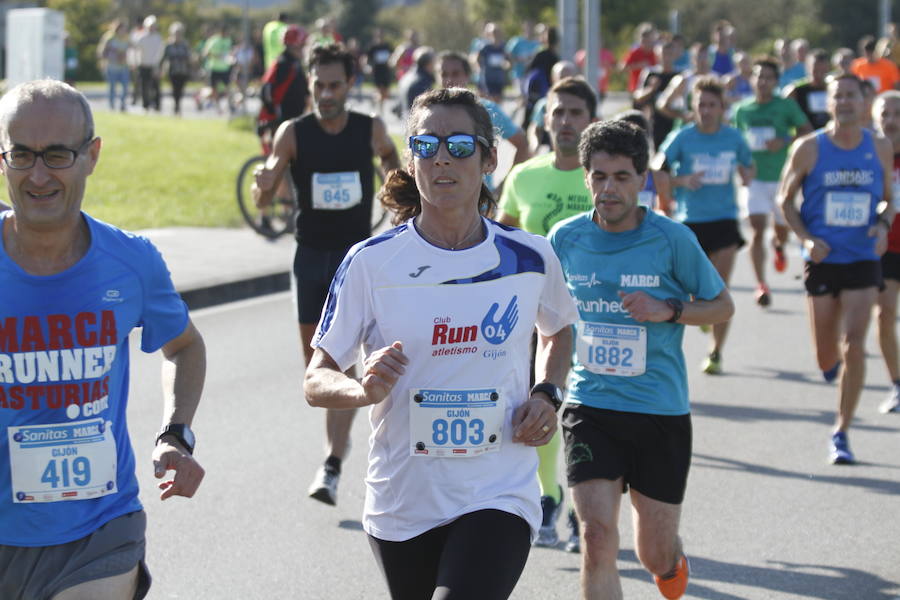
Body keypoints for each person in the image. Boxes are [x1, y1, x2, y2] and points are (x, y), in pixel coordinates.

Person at [304, 86, 578, 600]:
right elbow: (316, 378)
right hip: (404, 496)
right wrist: (361, 391)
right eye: (426, 146)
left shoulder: (530, 257)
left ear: (490, 158)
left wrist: (547, 393)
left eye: (459, 145)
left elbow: (558, 328)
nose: (442, 159)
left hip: (499, 488)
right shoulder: (370, 263)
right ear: (411, 160)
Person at [0, 80, 206, 599]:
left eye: (57, 154)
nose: (39, 175)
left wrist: (175, 432)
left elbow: (183, 346)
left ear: (92, 156)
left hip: (100, 529)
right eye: (21, 155)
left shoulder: (131, 262)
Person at [550, 119, 734, 600]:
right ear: (586, 177)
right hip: (590, 405)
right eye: (599, 176)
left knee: (653, 554)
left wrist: (668, 309)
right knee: (595, 537)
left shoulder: (672, 239)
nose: (608, 189)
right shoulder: (564, 239)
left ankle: (670, 559)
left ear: (642, 178)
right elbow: (546, 320)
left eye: (622, 177)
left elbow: (722, 306)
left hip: (658, 409)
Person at [252, 44, 399, 506]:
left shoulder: (369, 129)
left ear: (349, 85)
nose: (327, 94)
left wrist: (400, 202)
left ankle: (332, 462)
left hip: (355, 259)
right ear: (311, 84)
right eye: (319, 85)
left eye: (335, 85)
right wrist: (262, 184)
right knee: (319, 369)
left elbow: (396, 174)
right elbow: (263, 195)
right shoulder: (292, 133)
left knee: (344, 358)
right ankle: (338, 446)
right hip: (311, 259)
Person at [497, 77, 597, 550]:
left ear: (590, 120)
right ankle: (550, 496)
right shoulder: (524, 176)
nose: (565, 122)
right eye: (557, 112)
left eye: (575, 112)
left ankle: (586, 509)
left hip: (598, 318)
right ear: (545, 119)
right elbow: (502, 245)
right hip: (540, 319)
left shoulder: (605, 176)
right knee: (544, 402)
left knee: (592, 415)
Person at [778, 74, 895, 464]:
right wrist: (807, 239)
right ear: (828, 103)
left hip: (862, 257)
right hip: (823, 260)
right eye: (838, 96)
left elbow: (888, 201)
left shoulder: (879, 146)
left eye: (852, 96)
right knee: (827, 356)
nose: (845, 102)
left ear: (864, 103)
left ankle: (841, 431)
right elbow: (785, 201)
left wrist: (881, 225)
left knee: (855, 345)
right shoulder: (809, 148)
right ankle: (835, 372)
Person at [654, 76, 754, 375]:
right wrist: (681, 181)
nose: (706, 111)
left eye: (712, 105)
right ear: (693, 107)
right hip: (690, 222)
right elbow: (656, 172)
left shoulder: (734, 137)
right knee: (695, 295)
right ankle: (702, 313)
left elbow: (749, 166)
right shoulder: (682, 137)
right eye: (701, 105)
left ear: (723, 108)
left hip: (724, 219)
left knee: (719, 291)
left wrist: (747, 175)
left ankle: (715, 351)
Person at [732, 57, 811, 307]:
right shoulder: (742, 110)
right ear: (752, 79)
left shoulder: (785, 107)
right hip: (754, 178)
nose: (763, 81)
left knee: (780, 229)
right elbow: (737, 142)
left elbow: (806, 131)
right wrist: (740, 167)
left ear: (776, 81)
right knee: (756, 230)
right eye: (759, 76)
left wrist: (784, 141)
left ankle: (779, 245)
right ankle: (761, 284)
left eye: (768, 77)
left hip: (781, 178)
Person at [436, 51, 529, 188]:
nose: (449, 80)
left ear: (467, 76)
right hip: (442, 200)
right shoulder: (430, 113)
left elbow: (521, 143)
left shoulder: (485, 109)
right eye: (444, 74)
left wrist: (505, 187)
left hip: (480, 204)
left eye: (455, 74)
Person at [873, 91, 900, 414]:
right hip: (884, 248)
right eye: (885, 114)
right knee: (884, 317)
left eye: (898, 114)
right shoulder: (868, 155)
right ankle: (897, 384)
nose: (892, 121)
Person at [258, 25, 309, 144]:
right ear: (295, 45)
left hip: (295, 117)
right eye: (303, 45)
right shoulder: (283, 63)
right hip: (284, 119)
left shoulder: (295, 63)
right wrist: (272, 112)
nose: (305, 49)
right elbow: (266, 88)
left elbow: (303, 87)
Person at [633, 38, 682, 150]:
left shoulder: (681, 75)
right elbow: (637, 97)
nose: (666, 57)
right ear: (658, 55)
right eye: (664, 54)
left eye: (669, 54)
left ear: (675, 55)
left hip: (676, 121)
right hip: (656, 122)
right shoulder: (651, 73)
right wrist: (651, 89)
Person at [784, 49, 832, 130]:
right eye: (815, 71)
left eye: (823, 71)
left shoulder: (832, 88)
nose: (819, 75)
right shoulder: (795, 90)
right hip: (806, 135)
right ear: (807, 68)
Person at [97, 20, 131, 112]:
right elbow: (102, 52)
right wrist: (114, 55)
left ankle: (123, 105)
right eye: (121, 29)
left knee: (125, 87)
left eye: (124, 29)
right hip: (112, 67)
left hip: (124, 67)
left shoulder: (127, 38)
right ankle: (111, 106)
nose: (123, 31)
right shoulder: (110, 38)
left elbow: (131, 51)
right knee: (112, 88)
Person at [160, 22, 192, 116]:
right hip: (172, 70)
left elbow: (189, 57)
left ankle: (178, 106)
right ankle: (176, 107)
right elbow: (163, 58)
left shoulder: (185, 45)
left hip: (183, 70)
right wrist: (160, 69)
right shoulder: (168, 45)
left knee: (181, 90)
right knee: (174, 89)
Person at [201, 24, 233, 114]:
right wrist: (217, 56)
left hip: (225, 68)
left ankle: (230, 106)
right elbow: (205, 53)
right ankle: (218, 108)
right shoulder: (213, 40)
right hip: (214, 68)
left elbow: (229, 51)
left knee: (228, 88)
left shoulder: (228, 40)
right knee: (214, 89)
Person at [134, 15, 163, 112]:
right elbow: (136, 51)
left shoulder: (158, 37)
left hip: (154, 65)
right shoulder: (141, 37)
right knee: (144, 86)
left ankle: (157, 105)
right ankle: (145, 105)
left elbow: (160, 53)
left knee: (156, 87)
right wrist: (135, 63)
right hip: (143, 65)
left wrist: (158, 66)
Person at [620, 23, 657, 94]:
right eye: (644, 38)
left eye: (648, 38)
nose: (646, 41)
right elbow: (622, 68)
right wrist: (638, 66)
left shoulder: (657, 52)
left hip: (653, 89)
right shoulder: (635, 52)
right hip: (636, 89)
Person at [363, 28, 394, 116]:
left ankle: (374, 100)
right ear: (375, 36)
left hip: (386, 71)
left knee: (385, 93)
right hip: (377, 71)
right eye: (378, 35)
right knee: (380, 91)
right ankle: (381, 112)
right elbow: (366, 57)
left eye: (381, 34)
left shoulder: (387, 46)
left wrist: (391, 62)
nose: (380, 36)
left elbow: (392, 55)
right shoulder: (373, 46)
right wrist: (367, 66)